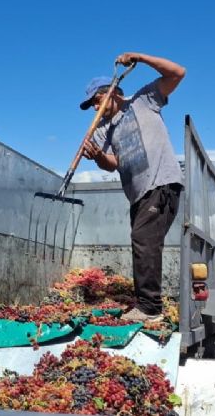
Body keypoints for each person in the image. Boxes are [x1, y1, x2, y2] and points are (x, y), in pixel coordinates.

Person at [79, 52, 186, 323]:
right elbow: (112, 164)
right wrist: (98, 156)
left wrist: (139, 56)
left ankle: (150, 308)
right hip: (137, 195)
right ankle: (146, 302)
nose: (95, 108)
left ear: (112, 93)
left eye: (97, 100)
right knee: (143, 242)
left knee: (143, 239)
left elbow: (177, 73)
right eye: (92, 104)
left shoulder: (143, 101)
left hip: (161, 182)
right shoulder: (105, 129)